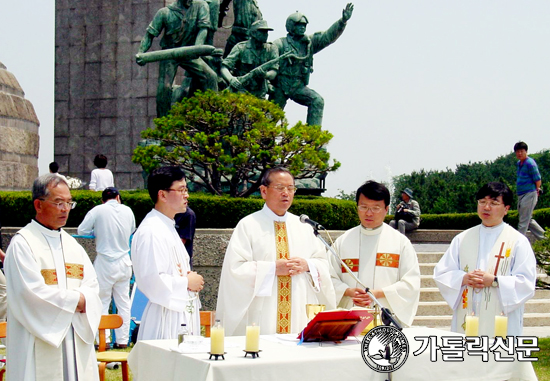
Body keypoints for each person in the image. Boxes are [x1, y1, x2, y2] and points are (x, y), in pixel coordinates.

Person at [216, 167, 336, 336]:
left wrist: (307, 265)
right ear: (264, 191)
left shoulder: (304, 226)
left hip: (298, 311)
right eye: (280, 188)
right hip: (262, 315)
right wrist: (272, 269)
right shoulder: (248, 225)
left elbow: (323, 263)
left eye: (291, 188)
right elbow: (234, 270)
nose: (286, 193)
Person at [4, 174, 101, 380]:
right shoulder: (23, 244)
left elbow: (92, 286)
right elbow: (31, 295)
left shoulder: (72, 245)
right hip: (38, 339)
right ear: (38, 205)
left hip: (75, 339)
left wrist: (85, 300)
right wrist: (78, 300)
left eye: (68, 202)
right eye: (58, 203)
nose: (65, 209)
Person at [434, 182, 537, 336]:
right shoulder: (462, 239)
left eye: (494, 203)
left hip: (501, 322)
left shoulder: (518, 241)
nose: (486, 207)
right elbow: (442, 273)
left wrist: (495, 280)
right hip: (467, 317)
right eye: (482, 202)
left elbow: (527, 282)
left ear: (506, 209)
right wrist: (464, 278)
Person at [330, 180, 420, 327]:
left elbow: (411, 284)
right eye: (363, 207)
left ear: (386, 209)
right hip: (348, 322)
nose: (369, 213)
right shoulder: (342, 242)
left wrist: (377, 293)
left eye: (376, 208)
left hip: (385, 323)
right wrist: (348, 291)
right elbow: (328, 278)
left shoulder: (400, 243)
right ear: (357, 207)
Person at [131, 166, 204, 340]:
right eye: (181, 190)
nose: (186, 195)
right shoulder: (151, 230)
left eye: (186, 189)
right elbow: (152, 281)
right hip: (164, 319)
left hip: (179, 313)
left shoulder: (167, 226)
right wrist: (187, 281)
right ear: (162, 195)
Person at [270, 3, 354, 126]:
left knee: (317, 101)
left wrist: (342, 22)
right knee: (269, 119)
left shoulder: (309, 43)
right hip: (280, 86)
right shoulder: (279, 44)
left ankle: (312, 140)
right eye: (299, 25)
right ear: (291, 26)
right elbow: (268, 63)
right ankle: (261, 141)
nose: (302, 27)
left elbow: (327, 37)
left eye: (304, 25)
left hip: (297, 86)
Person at [137, 0, 218, 117]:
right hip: (169, 54)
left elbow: (203, 29)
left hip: (190, 53)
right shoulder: (164, 13)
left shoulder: (201, 6)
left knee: (211, 76)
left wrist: (196, 49)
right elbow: (149, 35)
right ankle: (163, 123)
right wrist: (141, 52)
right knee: (164, 87)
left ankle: (213, 117)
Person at [77, 187, 136, 348]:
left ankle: (103, 339)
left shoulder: (98, 210)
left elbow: (82, 230)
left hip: (105, 261)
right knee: (123, 302)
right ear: (118, 197)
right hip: (124, 261)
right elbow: (132, 230)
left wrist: (97, 231)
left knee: (102, 301)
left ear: (103, 200)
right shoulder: (128, 211)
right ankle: (123, 340)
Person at [221, 19, 279, 99]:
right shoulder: (241, 47)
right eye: (262, 31)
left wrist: (265, 75)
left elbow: (273, 72)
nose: (266, 34)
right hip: (241, 90)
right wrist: (231, 79)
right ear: (253, 33)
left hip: (260, 92)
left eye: (266, 32)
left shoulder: (271, 49)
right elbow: (224, 67)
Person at [514, 141, 545, 240]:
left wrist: (537, 190)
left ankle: (518, 243)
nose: (519, 153)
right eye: (517, 151)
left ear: (526, 151)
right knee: (528, 219)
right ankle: (546, 239)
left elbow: (537, 179)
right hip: (521, 194)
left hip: (529, 193)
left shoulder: (530, 163)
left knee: (523, 222)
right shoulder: (519, 163)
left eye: (521, 151)